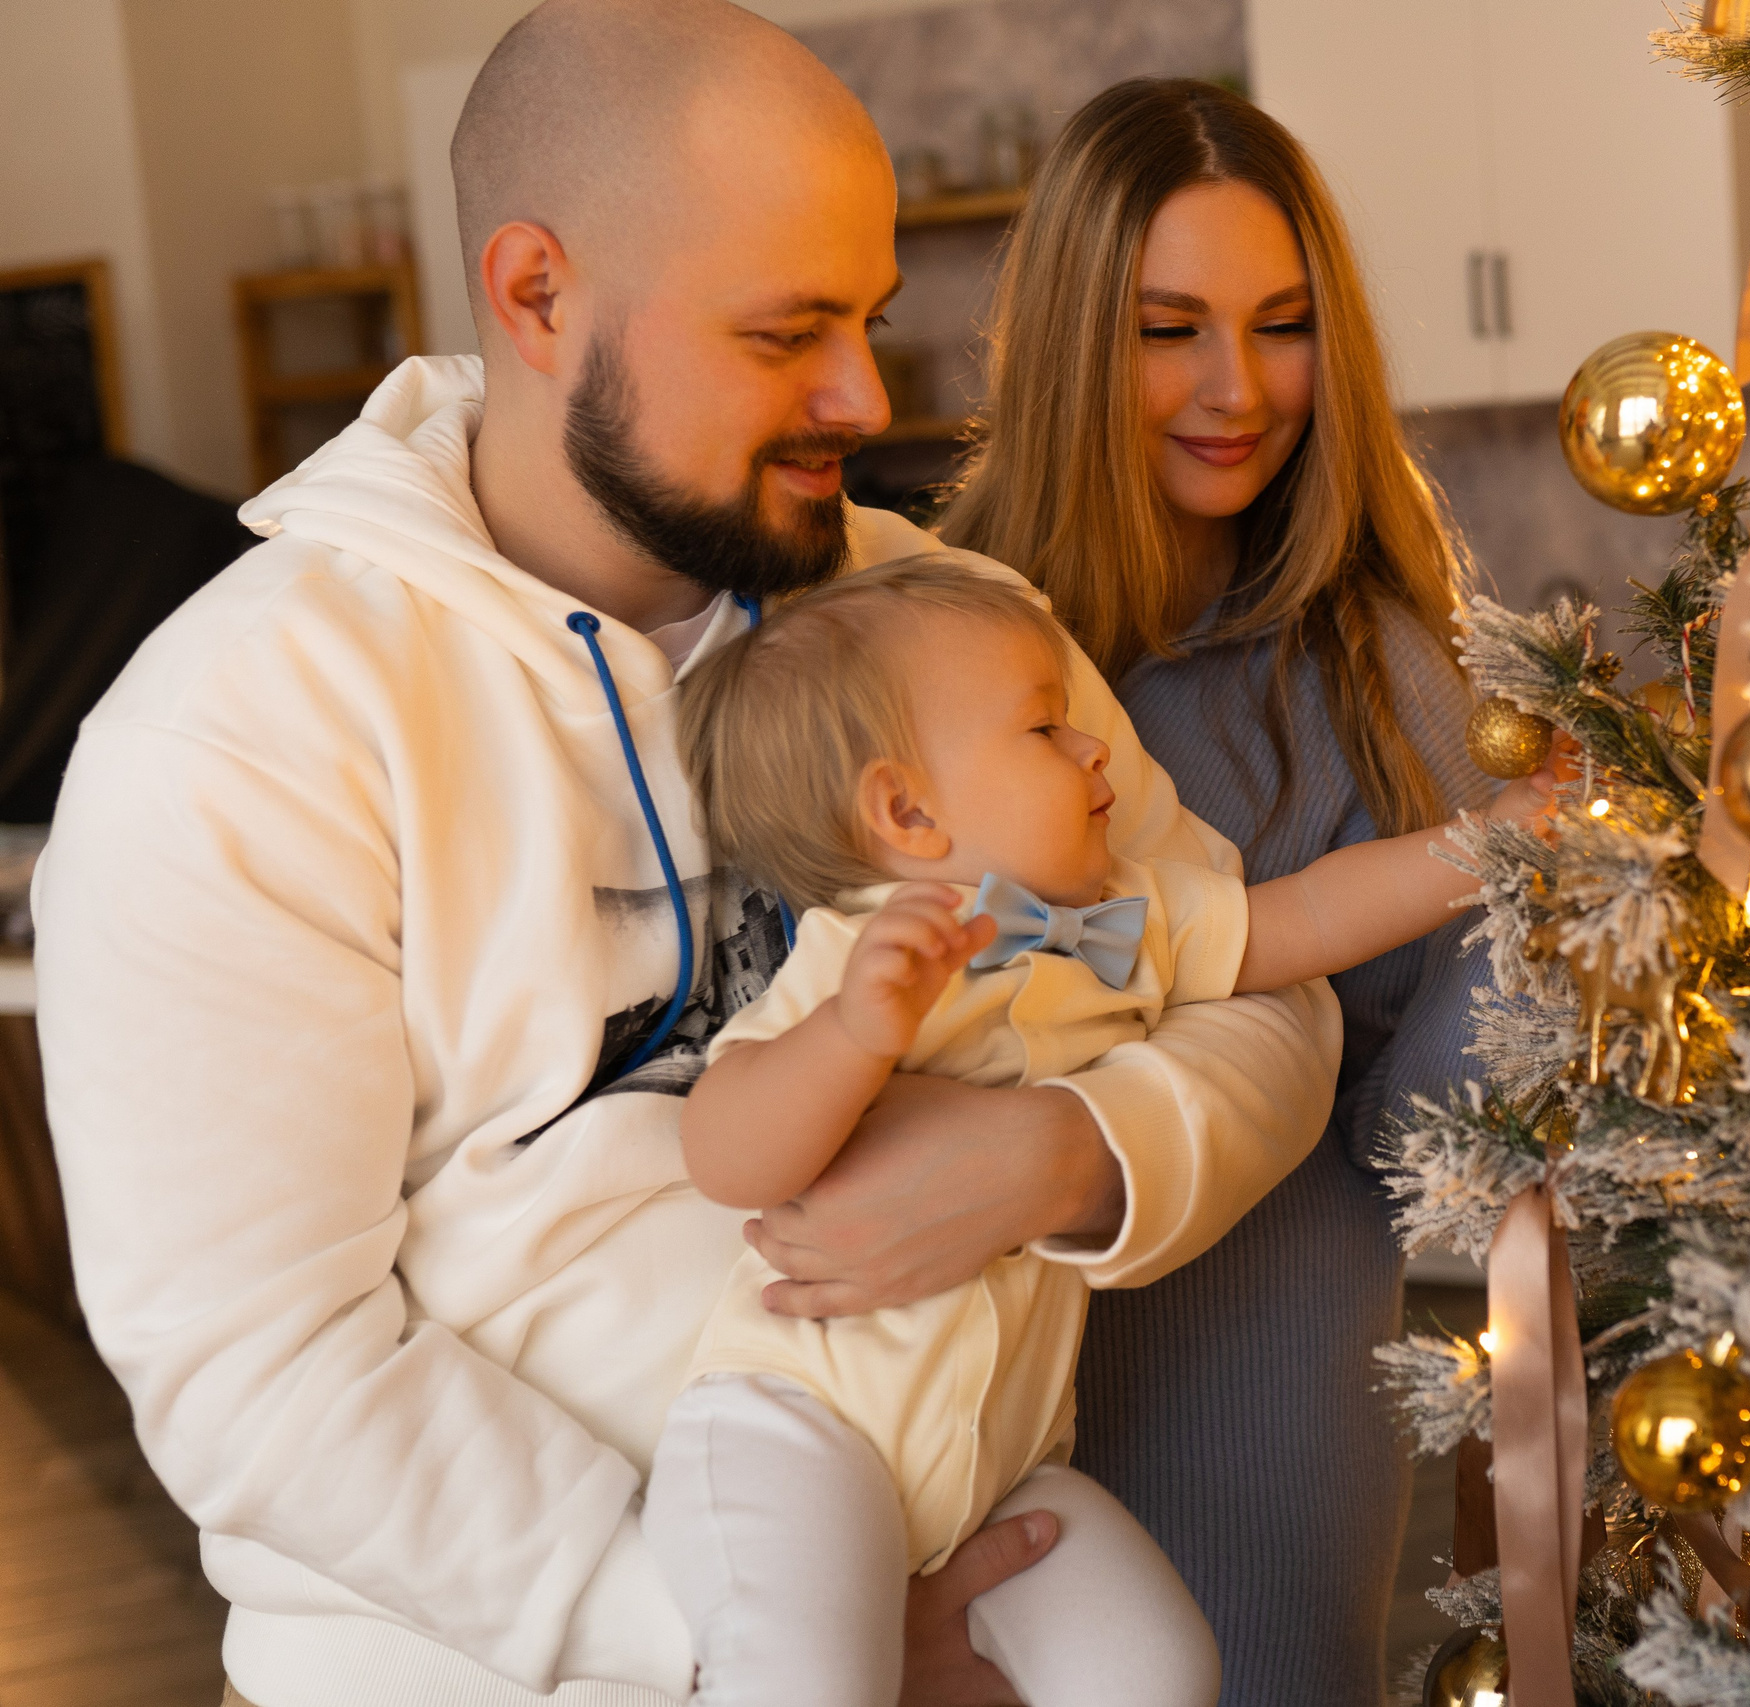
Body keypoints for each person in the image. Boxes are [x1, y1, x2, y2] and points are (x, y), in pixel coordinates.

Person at [32, 9, 1341, 1706]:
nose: (866, 397)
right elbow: (257, 1364)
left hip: (977, 1552)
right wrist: (747, 1647)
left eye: (865, 321)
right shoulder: (232, 737)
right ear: (536, 295)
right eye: (786, 332)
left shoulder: (944, 625)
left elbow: (1246, 986)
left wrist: (1074, 1150)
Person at [650, 558, 1552, 1707]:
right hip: (795, 1434)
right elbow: (725, 1158)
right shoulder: (862, 954)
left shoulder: (1084, 930)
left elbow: (1299, 921)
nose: (1092, 753)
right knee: (800, 1683)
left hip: (1000, 1471)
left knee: (1160, 1666)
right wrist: (850, 1038)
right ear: (908, 813)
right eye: (1044, 730)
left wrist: (1494, 842)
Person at [938, 78, 1490, 1701]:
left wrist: (1563, 908)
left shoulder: (1380, 663)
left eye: (1281, 322)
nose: (1236, 389)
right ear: (1067, 341)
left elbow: (1433, 1151)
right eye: (1170, 328)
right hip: (945, 1420)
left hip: (1274, 1431)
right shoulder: (926, 636)